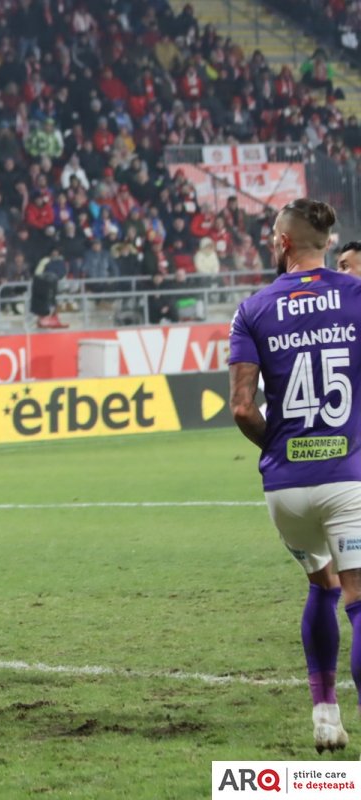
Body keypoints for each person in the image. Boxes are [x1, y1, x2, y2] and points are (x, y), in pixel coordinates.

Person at [228, 198, 361, 753]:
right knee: (358, 597)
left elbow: (242, 408)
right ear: (327, 243)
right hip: (347, 477)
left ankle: (325, 715)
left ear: (283, 242)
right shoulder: (355, 294)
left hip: (285, 489)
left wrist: (283, 449)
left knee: (322, 585)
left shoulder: (252, 309)